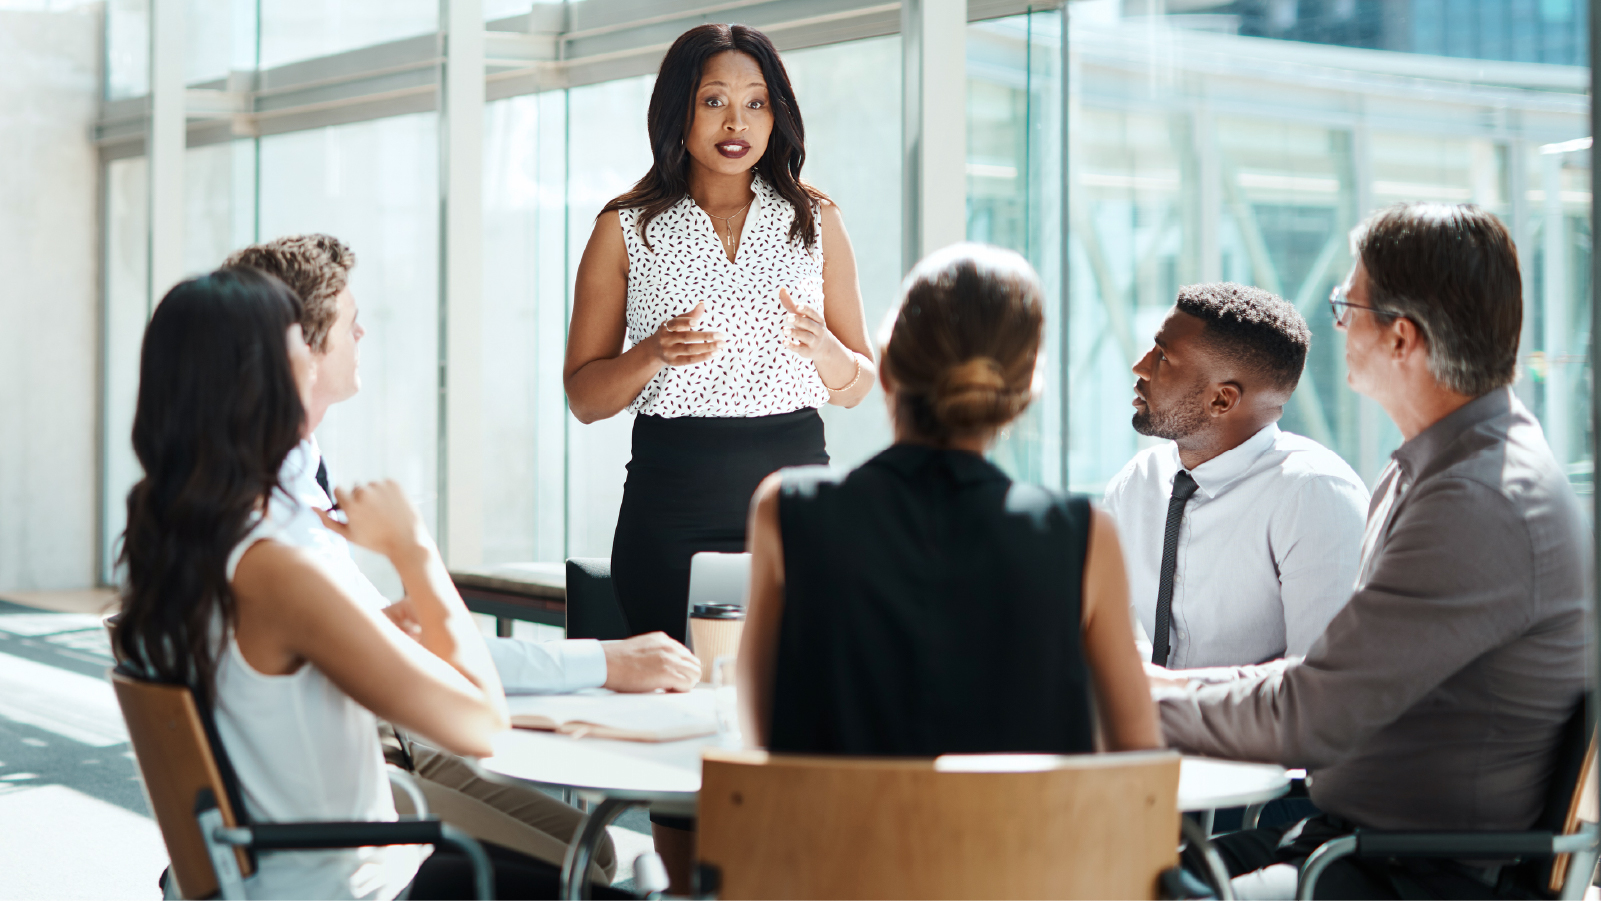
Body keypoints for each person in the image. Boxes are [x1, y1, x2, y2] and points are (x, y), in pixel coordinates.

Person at [114, 268, 626, 899]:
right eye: (301, 347)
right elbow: (483, 726)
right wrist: (413, 548)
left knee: (584, 865)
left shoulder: (182, 544)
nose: (314, 358)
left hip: (279, 872)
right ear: (264, 381)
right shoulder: (275, 568)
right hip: (351, 884)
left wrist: (362, 631)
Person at [224, 234, 701, 880]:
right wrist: (413, 547)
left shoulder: (273, 493)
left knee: (595, 847)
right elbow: (465, 706)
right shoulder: (278, 536)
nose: (363, 331)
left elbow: (392, 648)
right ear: (298, 347)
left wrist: (387, 629)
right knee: (583, 865)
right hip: (348, 798)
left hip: (344, 762)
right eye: (346, 320)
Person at [1154, 204, 1590, 900]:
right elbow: (1334, 677)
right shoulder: (1442, 467)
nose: (1336, 324)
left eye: (1345, 304)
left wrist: (1121, 708)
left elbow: (1314, 713)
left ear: (1400, 339)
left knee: (1132, 881)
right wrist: (1163, 686)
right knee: (1132, 862)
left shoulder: (1479, 501)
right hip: (1356, 845)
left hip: (1410, 875)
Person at [562, 21, 877, 870]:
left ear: (777, 117)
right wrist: (649, 353)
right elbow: (583, 396)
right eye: (713, 101)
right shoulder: (628, 227)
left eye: (755, 102)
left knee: (793, 706)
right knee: (685, 725)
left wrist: (829, 356)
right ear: (679, 114)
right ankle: (686, 886)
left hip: (796, 502)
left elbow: (861, 383)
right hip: (672, 499)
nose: (735, 120)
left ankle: (783, 880)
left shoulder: (816, 219)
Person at [738, 243, 1162, 758]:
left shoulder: (786, 509)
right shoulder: (1083, 535)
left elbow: (760, 746)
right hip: (1023, 840)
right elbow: (1139, 765)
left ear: (887, 369)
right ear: (1025, 391)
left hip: (830, 839)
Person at [1103, 283, 1368, 669]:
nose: (1141, 366)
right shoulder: (1138, 482)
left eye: (1163, 357)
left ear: (1221, 400)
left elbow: (1323, 688)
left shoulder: (1315, 496)